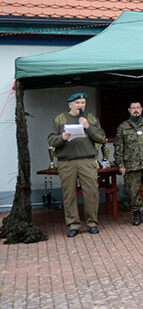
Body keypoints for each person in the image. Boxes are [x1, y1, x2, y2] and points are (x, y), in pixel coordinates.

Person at [47, 93, 106, 237]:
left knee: (91, 193)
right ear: (70, 104)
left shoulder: (90, 119)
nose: (81, 105)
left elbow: (102, 138)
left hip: (87, 160)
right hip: (67, 162)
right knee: (69, 194)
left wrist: (88, 127)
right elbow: (51, 140)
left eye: (83, 102)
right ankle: (73, 225)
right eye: (78, 102)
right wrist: (62, 137)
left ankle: (92, 223)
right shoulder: (60, 118)